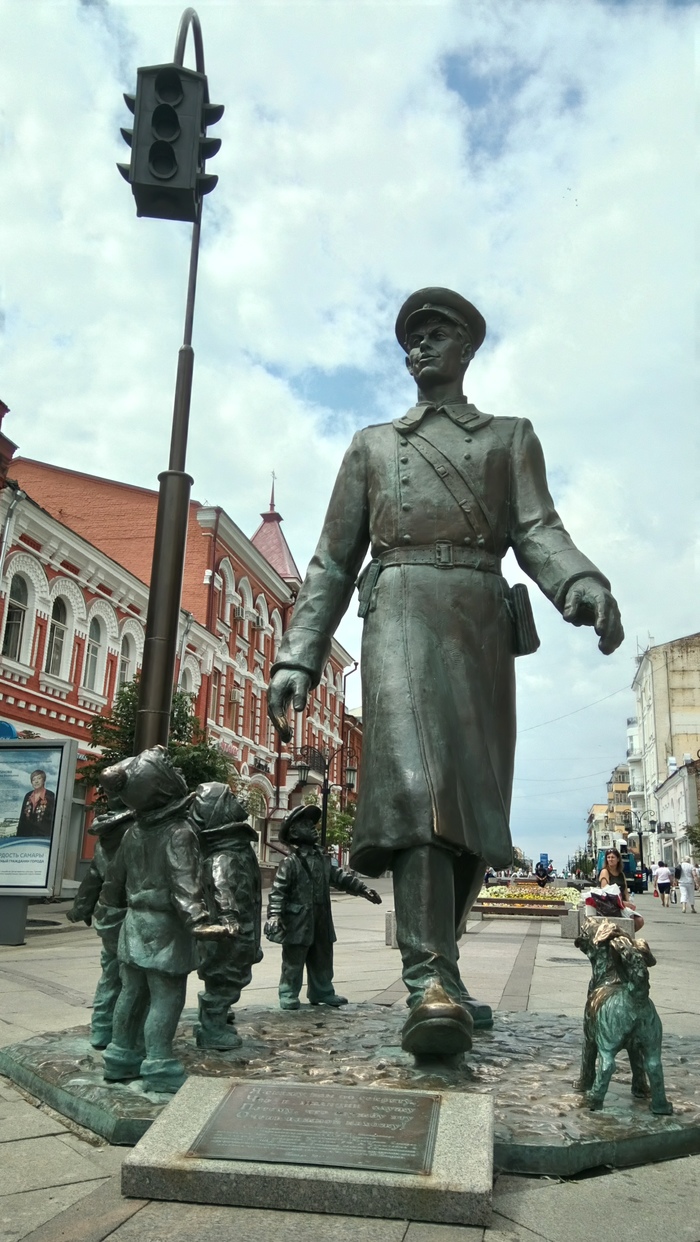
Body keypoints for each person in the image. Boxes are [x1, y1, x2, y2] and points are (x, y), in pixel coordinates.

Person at [267, 287, 624, 1058]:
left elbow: (538, 531)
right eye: (412, 338)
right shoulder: (372, 446)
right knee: (421, 792)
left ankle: (448, 977)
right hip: (396, 613)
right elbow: (331, 560)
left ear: (466, 349)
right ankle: (426, 975)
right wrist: (299, 651)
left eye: (435, 336)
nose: (419, 348)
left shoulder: (507, 438)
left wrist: (581, 584)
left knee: (471, 807)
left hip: (480, 624)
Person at [264, 805, 382, 1010]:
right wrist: (274, 915)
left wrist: (363, 890)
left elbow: (340, 878)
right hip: (298, 920)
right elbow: (277, 892)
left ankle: (322, 991)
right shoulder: (290, 863)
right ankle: (288, 993)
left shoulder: (322, 859)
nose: (313, 828)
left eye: (313, 824)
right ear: (293, 832)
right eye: (306, 825)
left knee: (323, 956)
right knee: (294, 961)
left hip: (321, 918)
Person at [190, 781, 263, 1050]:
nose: (237, 799)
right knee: (228, 976)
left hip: (238, 928)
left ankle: (215, 1016)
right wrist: (229, 917)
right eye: (230, 797)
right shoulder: (224, 855)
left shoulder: (235, 847)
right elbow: (221, 886)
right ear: (220, 812)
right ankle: (212, 1028)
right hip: (230, 932)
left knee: (228, 976)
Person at [66, 796, 132, 1048]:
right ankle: (123, 1032)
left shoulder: (105, 839)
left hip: (108, 912)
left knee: (111, 972)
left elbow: (93, 875)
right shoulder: (134, 835)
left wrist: (81, 907)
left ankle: (102, 1027)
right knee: (133, 977)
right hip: (130, 911)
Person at [598, 847, 644, 931]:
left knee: (639, 921)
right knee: (634, 920)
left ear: (618, 859)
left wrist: (629, 902)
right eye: (608, 857)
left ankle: (626, 935)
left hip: (623, 905)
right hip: (611, 905)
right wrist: (622, 903)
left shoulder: (621, 874)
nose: (610, 859)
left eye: (613, 857)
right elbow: (604, 893)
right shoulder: (605, 872)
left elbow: (625, 890)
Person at [16, 769, 56, 838]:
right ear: (31, 782)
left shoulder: (50, 795)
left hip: (43, 837)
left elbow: (52, 818)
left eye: (39, 778)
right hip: (26, 837)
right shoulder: (27, 795)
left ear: (44, 780)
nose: (36, 781)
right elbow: (22, 819)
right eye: (33, 779)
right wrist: (18, 838)